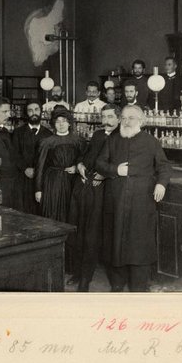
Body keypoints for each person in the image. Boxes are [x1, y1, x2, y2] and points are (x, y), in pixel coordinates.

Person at [96, 105, 171, 293]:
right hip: (116, 200)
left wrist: (161, 184)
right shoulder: (112, 140)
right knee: (116, 242)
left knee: (140, 244)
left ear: (141, 121)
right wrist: (116, 170)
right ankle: (117, 284)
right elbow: (99, 164)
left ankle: (139, 286)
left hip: (141, 201)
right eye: (123, 118)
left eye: (131, 118)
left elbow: (164, 167)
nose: (126, 122)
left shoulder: (151, 142)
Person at [68, 104, 121, 292]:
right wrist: (80, 164)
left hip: (105, 191)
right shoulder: (98, 135)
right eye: (103, 117)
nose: (106, 121)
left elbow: (120, 165)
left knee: (96, 235)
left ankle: (90, 279)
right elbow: (87, 154)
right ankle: (80, 273)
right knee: (81, 230)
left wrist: (104, 175)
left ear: (119, 118)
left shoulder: (122, 137)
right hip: (86, 187)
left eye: (110, 117)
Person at [35, 110, 85, 274]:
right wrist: (38, 189)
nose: (61, 124)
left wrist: (76, 167)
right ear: (53, 124)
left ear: (70, 123)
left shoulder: (79, 141)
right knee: (53, 218)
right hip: (53, 184)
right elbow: (40, 166)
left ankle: (71, 265)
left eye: (64, 121)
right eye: (58, 121)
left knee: (71, 219)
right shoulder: (47, 142)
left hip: (72, 184)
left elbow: (85, 160)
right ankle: (52, 263)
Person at [12, 101, 52, 214]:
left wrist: (38, 171)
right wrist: (25, 168)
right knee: (22, 212)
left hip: (41, 180)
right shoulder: (18, 133)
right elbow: (14, 154)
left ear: (41, 112)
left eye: (36, 109)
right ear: (26, 113)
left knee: (39, 212)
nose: (34, 113)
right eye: (30, 110)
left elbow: (50, 158)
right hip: (22, 179)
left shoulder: (48, 134)